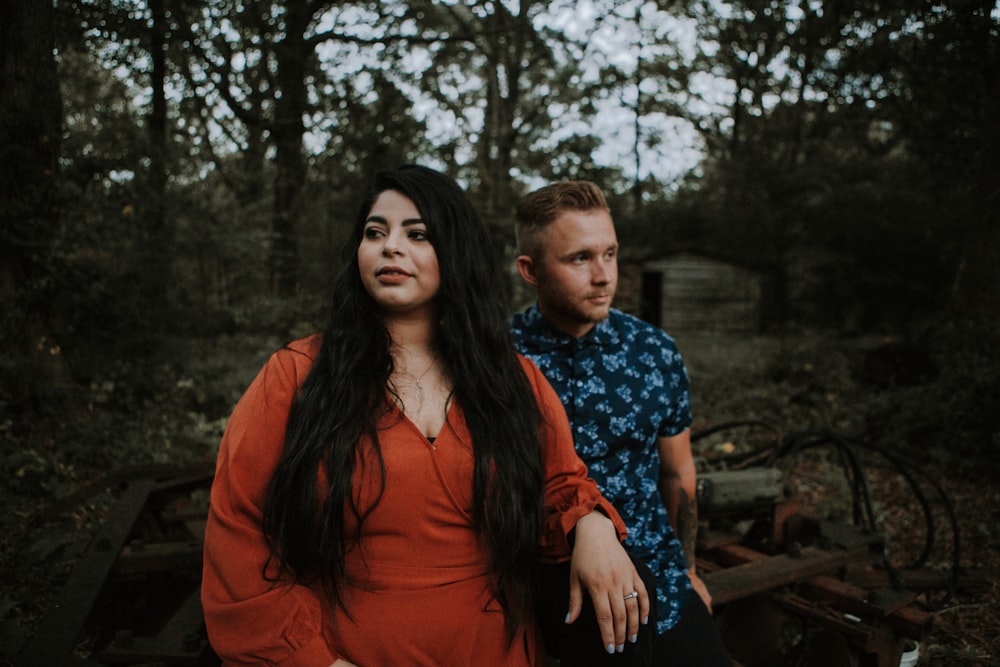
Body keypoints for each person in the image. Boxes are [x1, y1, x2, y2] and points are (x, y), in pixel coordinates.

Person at [201, 165, 653, 667]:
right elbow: (238, 531)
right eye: (376, 233)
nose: (391, 246)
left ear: (455, 254)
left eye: (417, 234)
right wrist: (313, 661)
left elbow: (560, 485)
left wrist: (591, 526)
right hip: (346, 652)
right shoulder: (297, 375)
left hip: (495, 649)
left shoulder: (510, 380)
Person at [510, 180, 732, 666]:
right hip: (546, 585)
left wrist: (689, 568)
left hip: (658, 571)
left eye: (610, 254)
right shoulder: (498, 358)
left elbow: (677, 473)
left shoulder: (654, 352)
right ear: (531, 270)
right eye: (580, 259)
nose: (603, 275)